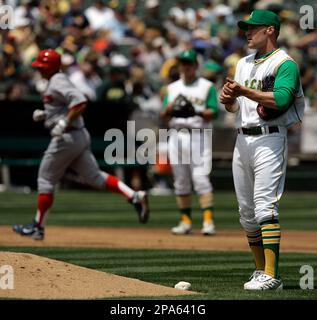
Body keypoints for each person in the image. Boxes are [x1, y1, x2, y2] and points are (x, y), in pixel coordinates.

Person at [12, 49, 150, 240]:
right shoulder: (56, 80)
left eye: (42, 67)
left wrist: (63, 122)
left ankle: (38, 227)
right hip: (78, 135)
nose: (39, 70)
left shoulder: (58, 80)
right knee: (95, 177)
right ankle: (134, 196)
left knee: (45, 179)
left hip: (67, 137)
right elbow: (64, 105)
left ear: (50, 67)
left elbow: (80, 102)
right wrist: (47, 115)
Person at [220, 10, 305, 290]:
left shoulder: (285, 63)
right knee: (246, 212)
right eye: (246, 27)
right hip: (242, 138)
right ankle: (259, 271)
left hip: (270, 139)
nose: (247, 32)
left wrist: (243, 92)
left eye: (253, 28)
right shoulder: (243, 63)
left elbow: (280, 99)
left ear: (270, 30)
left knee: (264, 206)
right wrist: (229, 99)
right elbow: (236, 107)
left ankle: (272, 275)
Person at [160, 49, 219, 236]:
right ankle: (185, 221)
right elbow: (163, 114)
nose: (185, 66)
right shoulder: (172, 87)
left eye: (188, 63)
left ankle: (208, 222)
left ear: (195, 66)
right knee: (180, 180)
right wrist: (169, 109)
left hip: (198, 134)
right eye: (183, 63)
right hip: (176, 135)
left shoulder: (206, 86)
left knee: (200, 178)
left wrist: (196, 112)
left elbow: (214, 112)